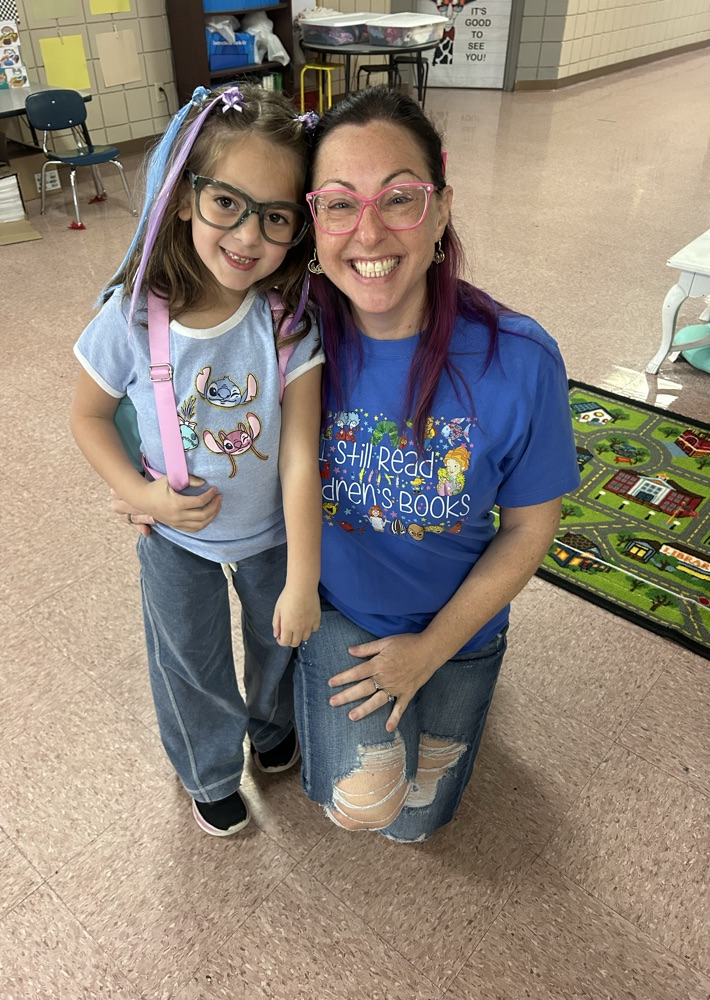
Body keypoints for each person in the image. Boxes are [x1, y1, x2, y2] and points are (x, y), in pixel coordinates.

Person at [293, 86, 580, 842]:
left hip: (459, 623)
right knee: (368, 810)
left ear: (442, 209)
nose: (368, 231)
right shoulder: (293, 344)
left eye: (398, 199)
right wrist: (147, 483)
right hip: (340, 616)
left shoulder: (518, 359)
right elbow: (167, 333)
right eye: (337, 204)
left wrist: (429, 652)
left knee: (418, 822)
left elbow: (528, 530)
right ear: (313, 222)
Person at [70, 84, 324, 837]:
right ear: (184, 197)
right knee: (189, 660)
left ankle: (272, 729)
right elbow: (87, 417)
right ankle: (209, 768)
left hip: (274, 533)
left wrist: (305, 577)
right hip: (174, 537)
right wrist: (140, 497)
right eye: (228, 203)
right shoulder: (129, 315)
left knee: (279, 641)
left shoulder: (287, 323)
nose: (249, 235)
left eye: (275, 216)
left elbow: (301, 454)